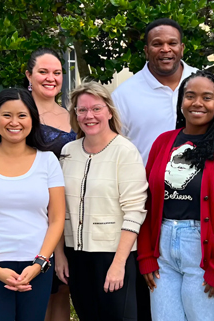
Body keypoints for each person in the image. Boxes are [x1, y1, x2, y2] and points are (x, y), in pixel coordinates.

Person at [138, 70, 214, 321]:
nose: (197, 103)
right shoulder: (163, 142)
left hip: (205, 253)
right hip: (163, 254)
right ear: (181, 102)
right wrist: (145, 255)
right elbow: (146, 202)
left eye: (207, 97)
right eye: (190, 96)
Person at [0, 88, 66, 321]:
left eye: (22, 115)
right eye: (7, 115)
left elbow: (57, 219)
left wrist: (39, 264)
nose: (14, 122)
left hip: (37, 265)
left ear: (32, 119)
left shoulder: (48, 161)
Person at [55, 81, 148, 321]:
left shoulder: (125, 151)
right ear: (75, 114)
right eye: (82, 110)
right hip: (75, 255)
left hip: (113, 255)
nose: (89, 115)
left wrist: (119, 264)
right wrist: (60, 255)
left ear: (108, 111)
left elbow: (135, 211)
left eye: (96, 108)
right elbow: (55, 208)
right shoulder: (68, 151)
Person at [112, 17, 214, 164]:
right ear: (146, 51)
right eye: (157, 44)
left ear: (182, 49)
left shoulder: (208, 85)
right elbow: (113, 149)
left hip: (204, 183)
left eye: (172, 43)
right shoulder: (123, 95)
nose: (165, 49)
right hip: (146, 185)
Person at [24, 48, 76, 321]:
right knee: (37, 288)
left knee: (62, 287)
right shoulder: (19, 113)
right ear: (28, 75)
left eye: (57, 73)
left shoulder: (72, 114)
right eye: (43, 72)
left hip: (68, 211)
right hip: (32, 212)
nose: (51, 78)